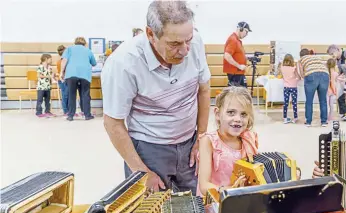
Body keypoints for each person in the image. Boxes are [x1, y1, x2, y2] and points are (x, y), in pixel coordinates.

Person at [101, 0, 211, 194]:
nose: (185, 50)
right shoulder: (124, 63)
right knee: (153, 211)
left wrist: (201, 137)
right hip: (149, 149)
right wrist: (141, 171)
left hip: (189, 143)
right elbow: (113, 123)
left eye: (188, 40)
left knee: (193, 205)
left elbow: (203, 90)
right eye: (174, 44)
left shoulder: (195, 43)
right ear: (151, 34)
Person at [196, 87, 259, 196]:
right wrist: (231, 191)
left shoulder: (249, 139)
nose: (238, 119)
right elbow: (204, 185)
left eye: (243, 114)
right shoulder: (208, 141)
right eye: (231, 112)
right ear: (217, 114)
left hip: (241, 200)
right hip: (215, 203)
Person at [60, 36, 97, 121]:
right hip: (85, 75)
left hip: (71, 74)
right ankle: (87, 115)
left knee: (71, 94)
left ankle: (70, 116)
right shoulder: (88, 50)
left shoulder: (69, 49)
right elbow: (94, 63)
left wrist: (61, 72)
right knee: (85, 95)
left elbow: (64, 61)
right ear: (84, 43)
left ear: (75, 42)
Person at [298, 48, 330, 127]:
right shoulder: (316, 57)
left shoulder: (301, 59)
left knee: (309, 101)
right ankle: (324, 121)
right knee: (323, 100)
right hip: (325, 75)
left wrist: (304, 77)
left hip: (311, 75)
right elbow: (324, 66)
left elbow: (301, 72)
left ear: (301, 55)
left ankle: (308, 122)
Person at [223, 21, 251, 87]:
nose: (246, 34)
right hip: (235, 73)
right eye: (246, 31)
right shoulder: (233, 40)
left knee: (242, 93)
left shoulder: (237, 40)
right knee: (239, 95)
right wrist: (239, 66)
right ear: (241, 29)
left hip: (238, 73)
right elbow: (227, 55)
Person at [280, 54, 300, 124]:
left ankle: (285, 118)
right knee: (294, 103)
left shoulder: (282, 67)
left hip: (286, 87)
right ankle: (295, 118)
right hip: (293, 87)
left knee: (285, 103)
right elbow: (298, 76)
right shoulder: (294, 68)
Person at [56, 45, 69, 116]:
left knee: (66, 95)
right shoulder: (62, 61)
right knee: (65, 95)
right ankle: (66, 111)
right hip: (62, 80)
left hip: (63, 80)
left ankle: (67, 111)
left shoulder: (60, 61)